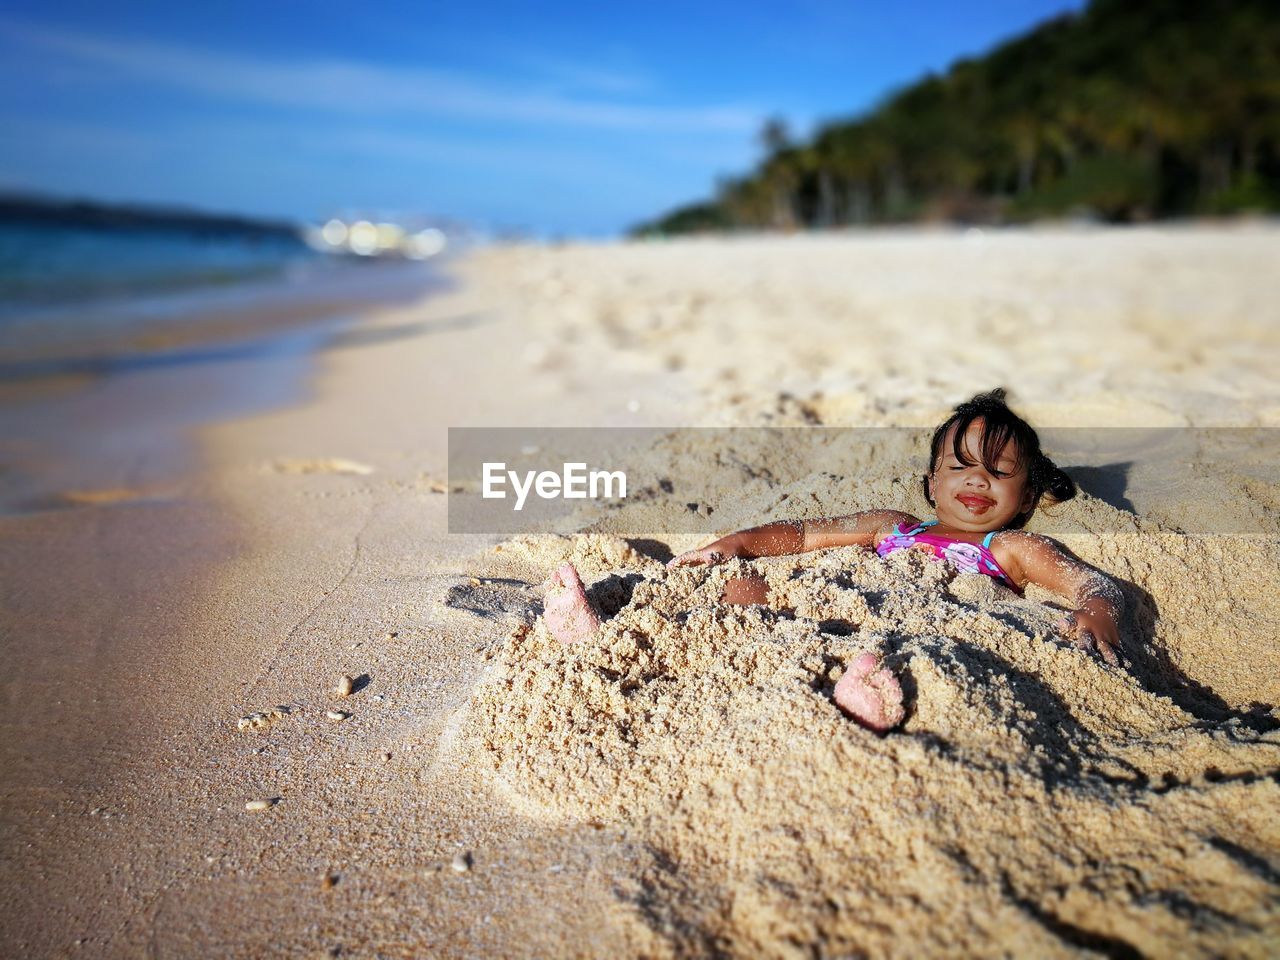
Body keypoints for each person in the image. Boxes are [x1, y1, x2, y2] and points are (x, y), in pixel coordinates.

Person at [542, 389, 1125, 733]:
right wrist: (740, 543)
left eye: (999, 472)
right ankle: (611, 630)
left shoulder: (1009, 548)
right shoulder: (892, 525)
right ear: (931, 482)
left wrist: (1097, 611)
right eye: (962, 465)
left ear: (1025, 497)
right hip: (827, 607)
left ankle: (864, 696)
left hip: (920, 621)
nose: (978, 477)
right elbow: (800, 536)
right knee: (739, 589)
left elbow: (1088, 582)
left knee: (914, 649)